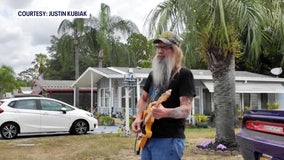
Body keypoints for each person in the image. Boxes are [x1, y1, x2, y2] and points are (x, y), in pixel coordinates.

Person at [131, 31, 196, 160]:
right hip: (147, 137)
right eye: (158, 47)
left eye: (165, 47)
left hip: (168, 140)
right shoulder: (153, 75)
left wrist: (165, 112)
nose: (160, 51)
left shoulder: (183, 75)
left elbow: (185, 110)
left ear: (175, 51)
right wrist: (138, 118)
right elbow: (143, 99)